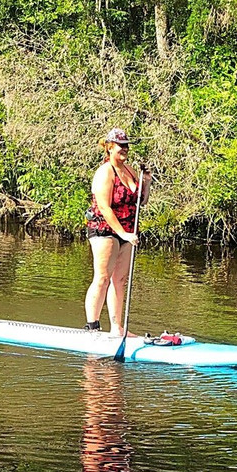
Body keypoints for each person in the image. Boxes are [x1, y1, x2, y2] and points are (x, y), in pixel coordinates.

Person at [83, 127, 151, 336]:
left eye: (126, 146)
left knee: (119, 280)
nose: (125, 149)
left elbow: (142, 201)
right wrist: (122, 234)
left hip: (128, 232)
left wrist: (146, 182)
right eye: (121, 146)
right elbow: (104, 207)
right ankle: (92, 326)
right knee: (102, 277)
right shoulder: (105, 172)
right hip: (105, 230)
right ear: (110, 147)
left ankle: (117, 328)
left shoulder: (130, 170)